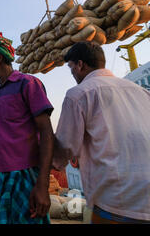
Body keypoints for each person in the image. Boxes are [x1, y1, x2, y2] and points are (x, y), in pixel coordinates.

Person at [53, 41, 150, 224]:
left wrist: (50, 162)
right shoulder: (142, 92)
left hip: (118, 201)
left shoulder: (78, 94)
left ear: (80, 64)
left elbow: (65, 149)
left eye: (71, 67)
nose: (72, 73)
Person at [0, 31, 54, 224]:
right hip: (0, 176)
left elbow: (46, 133)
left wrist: (43, 185)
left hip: (24, 174)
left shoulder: (28, 84)